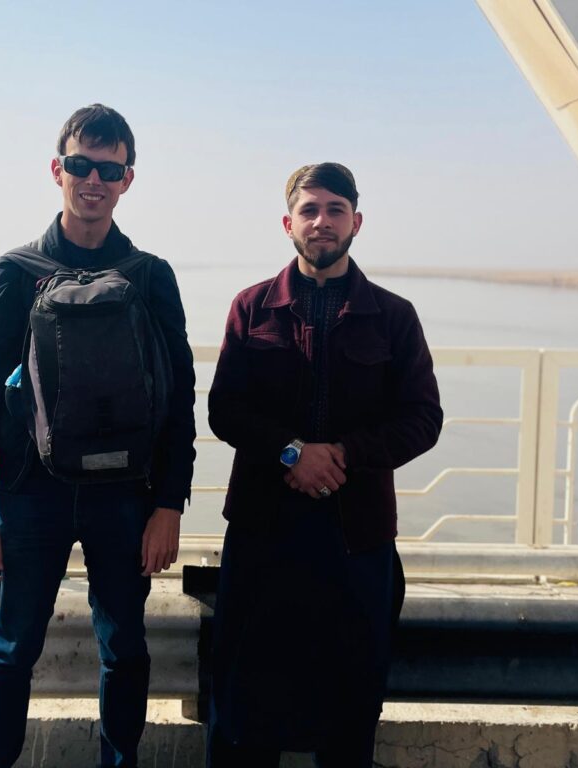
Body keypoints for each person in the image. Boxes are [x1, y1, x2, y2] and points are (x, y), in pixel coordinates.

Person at [0, 104, 196, 768]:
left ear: (128, 179)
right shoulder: (16, 270)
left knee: (125, 647)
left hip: (125, 495)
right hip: (31, 493)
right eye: (81, 166)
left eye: (110, 169)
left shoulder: (151, 276)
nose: (94, 181)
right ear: (57, 169)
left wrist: (170, 504)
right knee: (13, 647)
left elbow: (179, 395)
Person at [206, 162, 442, 767]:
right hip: (263, 536)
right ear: (288, 223)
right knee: (242, 717)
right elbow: (224, 410)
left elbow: (422, 419)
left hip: (355, 539)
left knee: (348, 718)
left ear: (356, 221)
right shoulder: (251, 308)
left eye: (334, 210)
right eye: (309, 211)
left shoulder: (394, 316)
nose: (321, 222)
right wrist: (290, 452)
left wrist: (342, 456)